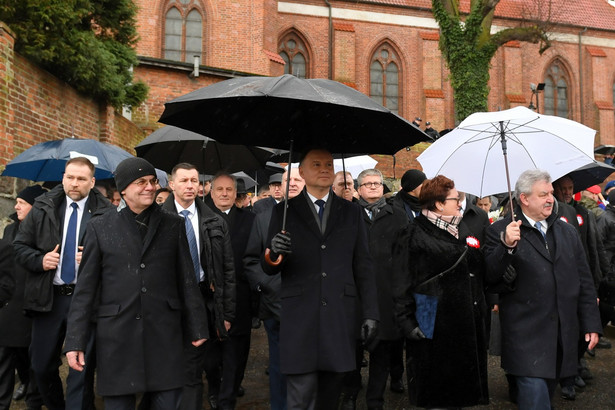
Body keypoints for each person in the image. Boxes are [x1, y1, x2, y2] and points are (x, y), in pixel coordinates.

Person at [63, 157, 208, 409]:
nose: (150, 187)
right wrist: (75, 340)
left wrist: (197, 326)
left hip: (164, 334)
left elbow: (186, 278)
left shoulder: (173, 224)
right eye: (141, 182)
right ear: (124, 190)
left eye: (152, 181)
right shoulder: (100, 227)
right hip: (117, 338)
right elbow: (85, 291)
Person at [263, 148, 379, 409]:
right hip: (300, 316)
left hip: (339, 316)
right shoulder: (284, 212)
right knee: (299, 397)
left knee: (331, 395)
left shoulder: (351, 212)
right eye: (316, 164)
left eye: (328, 164)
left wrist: (371, 313)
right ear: (302, 172)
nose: (325, 169)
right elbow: (269, 266)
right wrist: (275, 252)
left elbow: (363, 265)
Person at [484, 169, 602, 409]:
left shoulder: (567, 231)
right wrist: (506, 247)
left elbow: (584, 281)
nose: (551, 198)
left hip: (561, 337)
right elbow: (490, 276)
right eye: (543, 194)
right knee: (536, 402)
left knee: (545, 398)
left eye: (550, 193)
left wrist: (591, 324)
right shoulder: (501, 231)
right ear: (524, 199)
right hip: (525, 339)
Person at [13, 157, 112, 410]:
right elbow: (20, 247)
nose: (74, 183)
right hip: (49, 298)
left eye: (81, 179)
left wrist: (94, 258)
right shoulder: (42, 207)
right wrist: (40, 259)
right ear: (63, 177)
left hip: (86, 299)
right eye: (70, 177)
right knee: (41, 364)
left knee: (81, 369)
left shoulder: (107, 212)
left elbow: (120, 258)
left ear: (92, 182)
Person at [393, 175, 489, 408]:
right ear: (438, 204)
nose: (460, 203)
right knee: (436, 395)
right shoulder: (412, 233)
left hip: (465, 323)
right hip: (431, 323)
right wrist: (408, 323)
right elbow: (399, 283)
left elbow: (479, 269)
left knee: (460, 395)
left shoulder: (463, 228)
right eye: (455, 199)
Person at [162, 163, 236, 410]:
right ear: (172, 184)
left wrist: (225, 313)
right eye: (184, 180)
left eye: (194, 180)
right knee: (174, 362)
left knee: (202, 362)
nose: (190, 185)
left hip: (205, 297)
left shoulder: (214, 221)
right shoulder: (157, 220)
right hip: (170, 301)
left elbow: (227, 270)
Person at [243, 167, 306, 410]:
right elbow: (250, 260)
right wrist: (267, 285)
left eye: (297, 180)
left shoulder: (320, 218)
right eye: (287, 180)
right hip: (275, 306)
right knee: (280, 366)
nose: (291, 184)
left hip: (309, 305)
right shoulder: (263, 218)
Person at [354, 169, 408, 410]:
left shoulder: (397, 215)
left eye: (378, 183)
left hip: (386, 293)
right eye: (368, 183)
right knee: (353, 350)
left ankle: (375, 401)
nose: (374, 187)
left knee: (382, 351)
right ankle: (350, 395)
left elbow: (405, 257)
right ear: (358, 189)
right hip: (354, 292)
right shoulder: (348, 214)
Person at [207, 173, 256, 410]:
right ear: (211, 191)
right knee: (212, 350)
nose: (225, 193)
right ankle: (215, 388)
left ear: (236, 193)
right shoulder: (201, 219)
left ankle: (230, 391)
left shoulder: (250, 219)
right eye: (220, 189)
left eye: (229, 189)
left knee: (238, 349)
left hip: (242, 295)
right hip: (209, 295)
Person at [0, 186, 46, 410]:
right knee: (6, 354)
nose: (16, 206)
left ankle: (30, 386)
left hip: (31, 302)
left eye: (22, 202)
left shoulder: (45, 233)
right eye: (15, 201)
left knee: (27, 355)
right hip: (9, 299)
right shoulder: (10, 230)